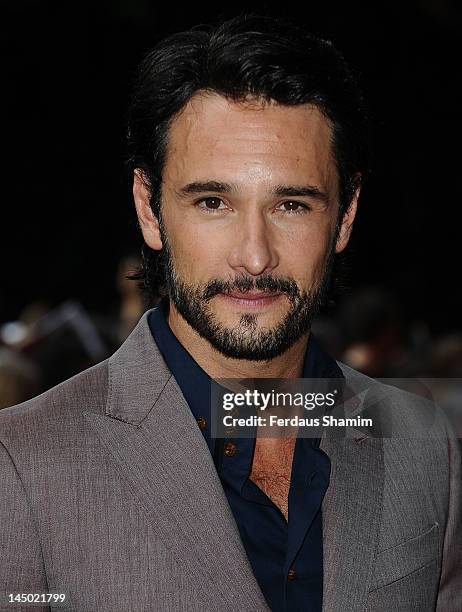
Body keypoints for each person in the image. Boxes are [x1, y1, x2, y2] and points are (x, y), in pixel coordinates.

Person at [0, 14, 460, 612]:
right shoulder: (21, 466)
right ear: (148, 207)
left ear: (344, 216)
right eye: (213, 202)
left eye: (291, 204)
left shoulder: (424, 445)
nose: (254, 255)